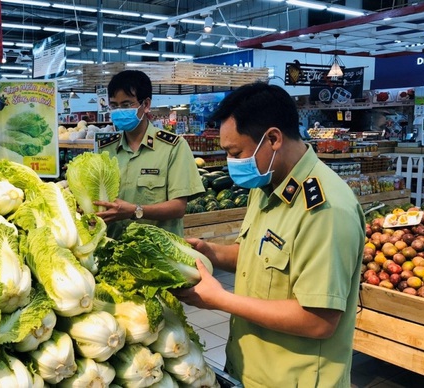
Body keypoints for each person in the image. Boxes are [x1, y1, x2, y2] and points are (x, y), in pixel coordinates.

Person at [174, 82, 365, 387]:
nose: (231, 163)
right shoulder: (267, 185)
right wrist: (210, 251)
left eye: (235, 152)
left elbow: (318, 321)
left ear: (273, 138)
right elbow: (256, 256)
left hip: (292, 379)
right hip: (247, 368)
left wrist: (221, 299)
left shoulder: (326, 210)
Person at [94, 70, 204, 239]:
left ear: (145, 105)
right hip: (112, 250)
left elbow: (178, 207)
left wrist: (135, 211)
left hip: (158, 254)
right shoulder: (105, 150)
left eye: (126, 105)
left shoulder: (173, 147)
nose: (118, 111)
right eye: (114, 105)